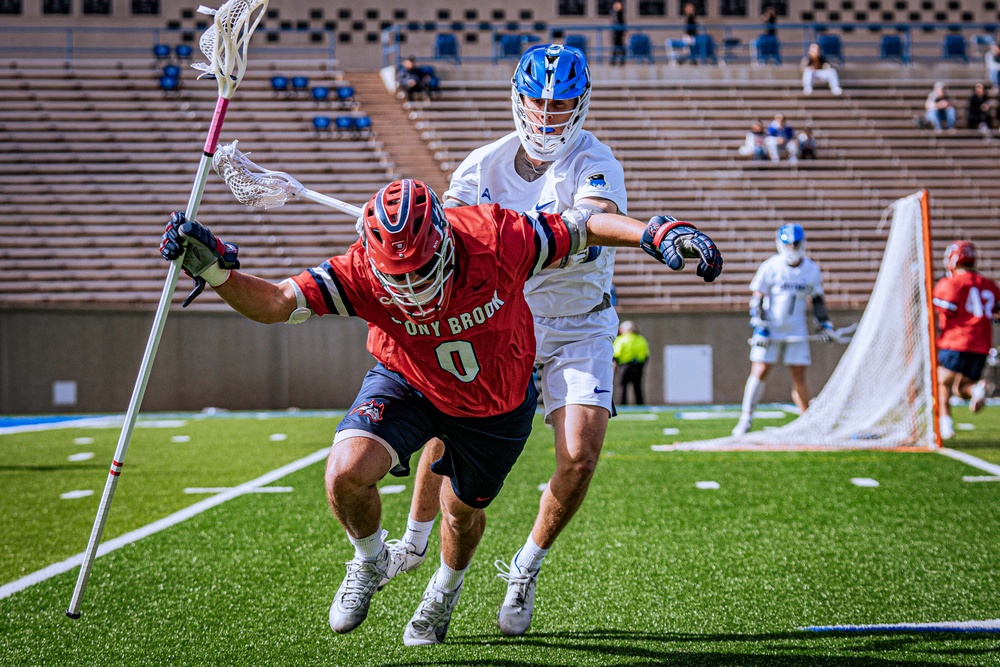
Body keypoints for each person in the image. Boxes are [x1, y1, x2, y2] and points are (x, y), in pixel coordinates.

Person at [159, 178, 722, 646]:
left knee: (458, 512)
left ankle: (444, 592)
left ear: (446, 241)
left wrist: (653, 231)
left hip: (495, 404)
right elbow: (278, 304)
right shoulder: (360, 269)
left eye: (420, 272)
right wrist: (216, 273)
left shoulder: (497, 235)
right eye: (395, 278)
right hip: (408, 381)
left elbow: (583, 226)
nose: (411, 289)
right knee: (344, 474)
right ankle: (369, 559)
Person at [377, 43, 720, 639]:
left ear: (580, 106)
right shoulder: (481, 166)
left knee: (580, 454)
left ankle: (525, 567)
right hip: (502, 321)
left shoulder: (595, 163)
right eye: (536, 99)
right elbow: (449, 239)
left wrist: (649, 233)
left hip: (578, 324)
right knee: (447, 428)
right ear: (517, 99)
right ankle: (414, 541)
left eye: (560, 103)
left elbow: (588, 222)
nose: (545, 113)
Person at [732, 224, 835, 436]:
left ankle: (808, 422)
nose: (792, 248)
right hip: (770, 328)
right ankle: (746, 418)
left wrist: (824, 323)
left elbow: (817, 299)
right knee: (760, 370)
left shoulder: (811, 269)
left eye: (795, 244)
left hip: (796, 328)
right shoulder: (771, 266)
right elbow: (757, 297)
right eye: (788, 244)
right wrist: (759, 324)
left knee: (799, 374)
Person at [932, 241, 1000, 439]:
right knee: (961, 389)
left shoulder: (950, 284)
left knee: (941, 384)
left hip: (955, 341)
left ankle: (945, 426)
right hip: (981, 345)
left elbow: (942, 309)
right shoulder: (988, 285)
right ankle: (978, 389)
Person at [613, 320, 650, 405]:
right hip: (638, 365)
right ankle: (640, 404)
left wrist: (615, 363)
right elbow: (646, 354)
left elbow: (616, 353)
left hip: (624, 366)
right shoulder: (641, 339)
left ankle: (622, 404)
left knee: (622, 387)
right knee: (638, 387)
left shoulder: (621, 339)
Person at [610, 1, 626, 66]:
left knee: (621, 48)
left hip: (620, 34)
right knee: (616, 48)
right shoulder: (614, 13)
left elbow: (623, 23)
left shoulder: (620, 13)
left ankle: (620, 61)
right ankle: (613, 61)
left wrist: (625, 31)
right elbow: (615, 23)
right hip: (616, 34)